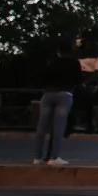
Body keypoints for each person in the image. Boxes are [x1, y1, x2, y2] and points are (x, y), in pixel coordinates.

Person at [33, 38, 82, 166]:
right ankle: (54, 157)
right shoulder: (74, 63)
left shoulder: (52, 62)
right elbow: (78, 80)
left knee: (41, 127)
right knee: (58, 127)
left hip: (48, 94)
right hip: (65, 94)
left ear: (58, 51)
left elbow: (43, 76)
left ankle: (37, 157)